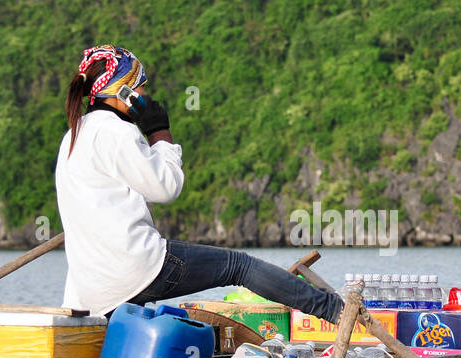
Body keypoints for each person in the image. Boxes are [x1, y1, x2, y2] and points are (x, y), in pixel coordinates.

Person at [54, 44, 345, 323]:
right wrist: (159, 133)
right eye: (141, 86)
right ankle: (334, 309)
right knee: (239, 266)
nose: (145, 93)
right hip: (133, 269)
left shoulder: (74, 135)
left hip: (92, 288)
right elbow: (166, 187)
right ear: (124, 91)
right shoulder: (117, 132)